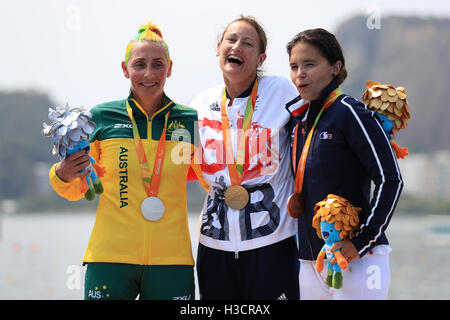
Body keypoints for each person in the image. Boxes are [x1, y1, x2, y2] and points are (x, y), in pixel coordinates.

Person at [48, 21, 197, 300]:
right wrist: (63, 173)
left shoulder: (189, 120)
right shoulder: (102, 117)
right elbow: (74, 188)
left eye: (158, 64)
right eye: (139, 64)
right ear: (125, 68)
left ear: (170, 68)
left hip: (172, 261)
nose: (149, 74)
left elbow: (210, 177)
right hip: (109, 258)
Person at [285, 28, 403, 299]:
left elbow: (390, 179)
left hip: (359, 259)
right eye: (294, 66)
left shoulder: (350, 112)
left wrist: (361, 241)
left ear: (336, 67)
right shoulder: (297, 119)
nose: (299, 73)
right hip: (310, 260)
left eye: (309, 64)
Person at [189, 15, 299, 300]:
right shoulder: (199, 105)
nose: (237, 46)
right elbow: (181, 167)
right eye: (231, 40)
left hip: (273, 244)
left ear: (261, 57)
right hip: (214, 247)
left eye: (248, 43)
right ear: (218, 48)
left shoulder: (282, 91)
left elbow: (319, 133)